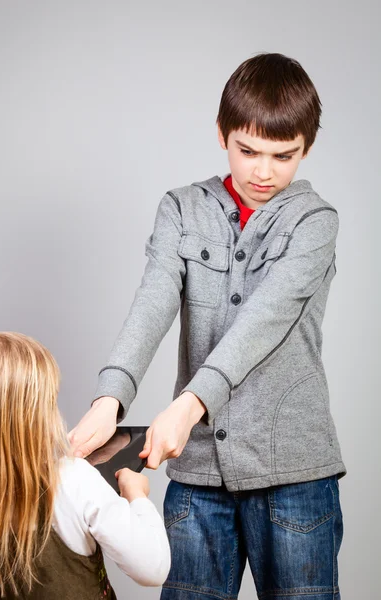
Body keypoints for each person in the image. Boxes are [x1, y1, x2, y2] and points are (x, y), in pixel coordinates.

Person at [69, 53, 346, 599]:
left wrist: (187, 405)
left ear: (306, 148)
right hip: (198, 476)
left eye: (282, 156)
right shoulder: (180, 209)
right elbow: (152, 303)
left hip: (294, 476)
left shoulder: (316, 223)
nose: (262, 172)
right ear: (221, 133)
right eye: (247, 151)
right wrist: (109, 400)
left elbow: (264, 322)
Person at [0, 332, 170, 599]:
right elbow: (152, 569)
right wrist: (137, 495)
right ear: (29, 419)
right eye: (49, 402)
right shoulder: (75, 480)